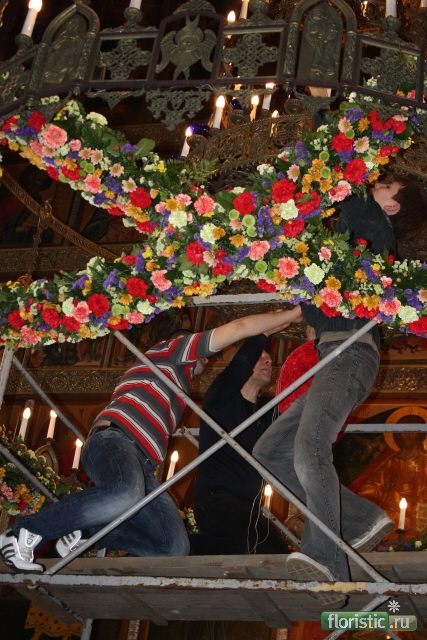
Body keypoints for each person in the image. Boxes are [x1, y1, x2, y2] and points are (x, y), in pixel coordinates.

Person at [0, 305, 302, 574]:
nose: (207, 360)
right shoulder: (172, 351)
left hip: (142, 464)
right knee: (124, 493)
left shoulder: (174, 383)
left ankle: (90, 533)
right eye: (203, 353)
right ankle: (24, 532)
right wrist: (284, 318)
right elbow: (238, 329)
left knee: (173, 547)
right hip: (115, 439)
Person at [253, 176, 427, 608]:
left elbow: (347, 187)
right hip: (332, 355)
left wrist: (325, 128)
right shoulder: (357, 244)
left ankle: (328, 561)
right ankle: (361, 519)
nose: (378, 182)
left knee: (310, 445)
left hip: (349, 353)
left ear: (392, 207)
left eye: (387, 184)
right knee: (270, 451)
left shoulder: (375, 225)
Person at [190, 333, 289, 556]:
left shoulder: (268, 410)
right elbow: (241, 362)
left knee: (276, 550)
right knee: (262, 547)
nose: (268, 360)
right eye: (260, 356)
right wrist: (264, 333)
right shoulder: (221, 396)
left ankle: (182, 548)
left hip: (249, 506)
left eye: (268, 357)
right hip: (217, 499)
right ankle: (178, 548)